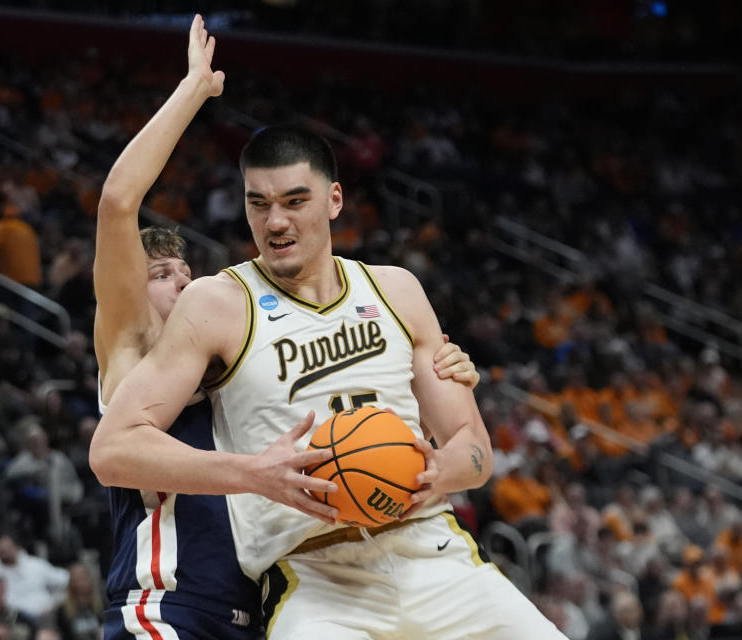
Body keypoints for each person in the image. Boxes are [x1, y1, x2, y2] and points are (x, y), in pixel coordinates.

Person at [92, 17, 564, 640]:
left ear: (336, 201)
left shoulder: (395, 290)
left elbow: (473, 449)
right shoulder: (205, 312)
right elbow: (118, 201)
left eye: (294, 201)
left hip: (426, 555)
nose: (275, 220)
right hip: (265, 586)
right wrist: (193, 90)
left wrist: (438, 470)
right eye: (257, 204)